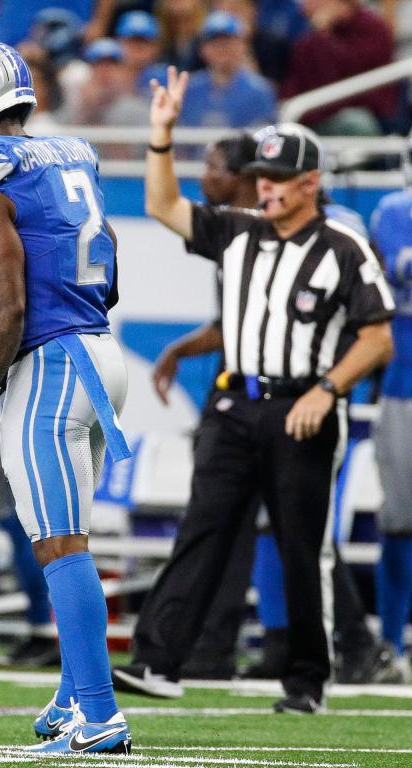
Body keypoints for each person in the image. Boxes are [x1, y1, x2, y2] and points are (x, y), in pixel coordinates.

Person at [111, 69, 395, 714]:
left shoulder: (343, 247)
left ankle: (305, 679)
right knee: (202, 528)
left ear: (310, 184)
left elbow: (377, 338)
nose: (265, 189)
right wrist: (161, 137)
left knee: (301, 545)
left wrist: (326, 391)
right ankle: (158, 661)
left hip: (302, 406)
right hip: (235, 403)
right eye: (260, 178)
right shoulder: (239, 232)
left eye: (277, 180)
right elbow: (163, 207)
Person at [0, 37, 133, 755]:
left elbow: (6, 304)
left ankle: (100, 712)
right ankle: (75, 695)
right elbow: (106, 267)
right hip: (103, 351)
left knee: (60, 546)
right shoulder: (70, 152)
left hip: (53, 366)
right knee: (68, 536)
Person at [368, 175, 412, 684]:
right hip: (404, 384)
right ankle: (391, 644)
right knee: (400, 521)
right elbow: (399, 263)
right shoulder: (397, 209)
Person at [280, 0, 398, 135]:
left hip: (367, 116)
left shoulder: (373, 28)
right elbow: (297, 81)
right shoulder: (306, 32)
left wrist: (323, 34)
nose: (302, 6)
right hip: (313, 116)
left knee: (356, 123)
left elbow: (343, 72)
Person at [179, 12, 276, 129]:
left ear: (243, 45)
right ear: (202, 49)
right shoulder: (189, 88)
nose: (221, 49)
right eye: (214, 43)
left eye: (228, 43)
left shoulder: (260, 90)